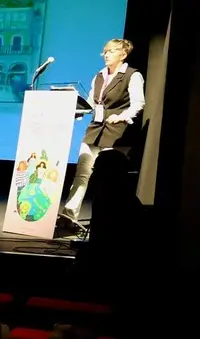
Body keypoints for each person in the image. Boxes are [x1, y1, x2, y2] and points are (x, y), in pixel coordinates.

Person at [59, 38, 145, 226]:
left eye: (111, 51)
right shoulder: (99, 75)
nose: (106, 54)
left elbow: (138, 103)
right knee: (82, 173)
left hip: (116, 131)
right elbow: (91, 102)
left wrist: (122, 116)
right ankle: (68, 216)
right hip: (95, 129)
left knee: (108, 178)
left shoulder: (132, 75)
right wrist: (76, 110)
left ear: (123, 55)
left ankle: (108, 219)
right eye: (105, 51)